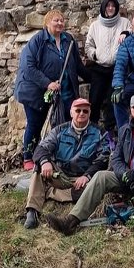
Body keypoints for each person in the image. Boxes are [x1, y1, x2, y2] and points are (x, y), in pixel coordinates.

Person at [47, 92, 134, 239]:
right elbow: (116, 158)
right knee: (101, 176)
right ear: (131, 110)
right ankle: (71, 221)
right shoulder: (125, 130)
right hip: (130, 180)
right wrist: (126, 174)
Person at [14, 10, 91, 170]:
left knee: (65, 123)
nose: (60, 23)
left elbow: (76, 64)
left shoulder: (68, 40)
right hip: (35, 90)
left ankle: (62, 155)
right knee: (35, 124)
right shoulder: (38, 41)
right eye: (56, 20)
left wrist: (93, 77)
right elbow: (28, 67)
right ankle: (28, 157)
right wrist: (47, 83)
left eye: (62, 20)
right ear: (47, 23)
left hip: (64, 89)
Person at [23, 97, 109, 229]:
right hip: (60, 175)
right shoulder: (59, 130)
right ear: (71, 113)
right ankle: (32, 211)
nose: (81, 113)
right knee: (39, 166)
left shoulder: (99, 133)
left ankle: (50, 192)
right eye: (78, 110)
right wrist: (45, 162)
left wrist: (87, 176)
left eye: (85, 111)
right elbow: (40, 149)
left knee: (93, 190)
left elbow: (103, 159)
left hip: (81, 180)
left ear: (89, 113)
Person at [85, 0, 131, 132]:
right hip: (99, 68)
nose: (110, 8)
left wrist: (126, 33)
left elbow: (133, 33)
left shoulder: (124, 22)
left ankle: (110, 130)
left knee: (113, 99)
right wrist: (95, 54)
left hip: (117, 68)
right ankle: (92, 127)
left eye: (113, 6)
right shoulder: (95, 25)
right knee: (95, 98)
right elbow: (88, 45)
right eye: (108, 6)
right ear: (103, 8)